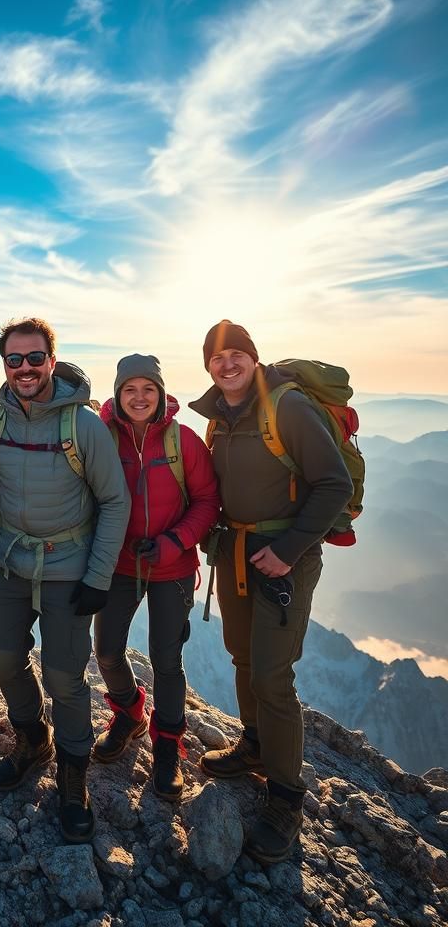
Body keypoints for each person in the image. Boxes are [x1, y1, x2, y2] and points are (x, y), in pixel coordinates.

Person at [189, 320, 352, 863]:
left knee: (272, 676)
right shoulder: (218, 417)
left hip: (285, 558)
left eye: (237, 355)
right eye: (218, 358)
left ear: (253, 360)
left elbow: (334, 484)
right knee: (241, 657)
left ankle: (285, 798)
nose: (228, 365)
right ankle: (254, 745)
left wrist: (288, 550)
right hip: (234, 554)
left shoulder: (286, 408)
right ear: (208, 366)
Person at [0, 317, 129, 843]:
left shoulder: (83, 426)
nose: (24, 369)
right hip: (12, 562)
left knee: (64, 676)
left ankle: (73, 774)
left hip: (69, 568)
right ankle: (32, 738)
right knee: (5, 656)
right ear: (5, 366)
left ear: (52, 361)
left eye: (34, 358)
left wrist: (99, 576)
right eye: (13, 360)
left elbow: (114, 501)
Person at [92, 354, 220, 800]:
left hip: (173, 567)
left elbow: (207, 501)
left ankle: (167, 746)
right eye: (131, 390)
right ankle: (129, 713)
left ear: (161, 394)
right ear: (118, 395)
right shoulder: (103, 438)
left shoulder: (183, 442)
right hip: (120, 565)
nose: (140, 397)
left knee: (166, 661)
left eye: (148, 389)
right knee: (106, 650)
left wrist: (173, 542)